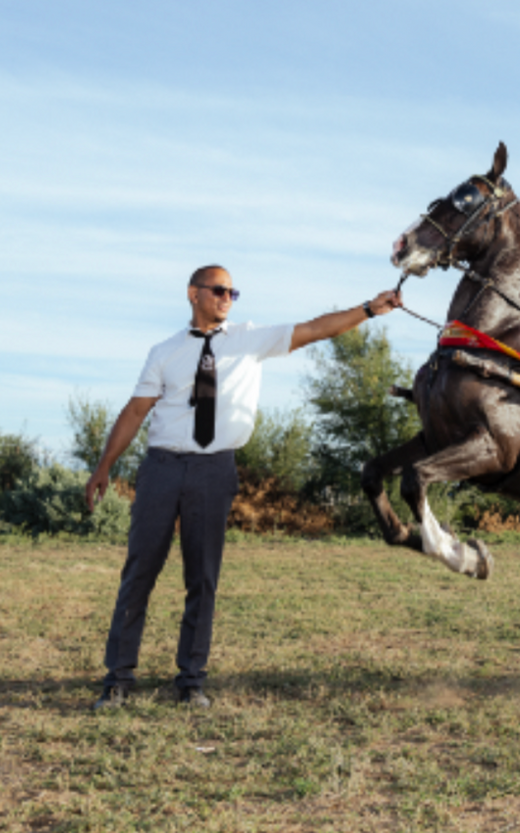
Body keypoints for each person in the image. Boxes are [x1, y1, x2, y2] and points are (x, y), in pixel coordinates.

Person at [84, 265, 403, 710]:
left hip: (215, 471)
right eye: (218, 290)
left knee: (203, 578)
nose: (227, 297)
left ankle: (191, 682)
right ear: (194, 294)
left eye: (233, 291)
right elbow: (136, 411)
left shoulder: (250, 340)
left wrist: (370, 308)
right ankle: (118, 680)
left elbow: (314, 329)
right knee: (139, 574)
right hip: (161, 467)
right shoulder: (164, 351)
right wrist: (104, 466)